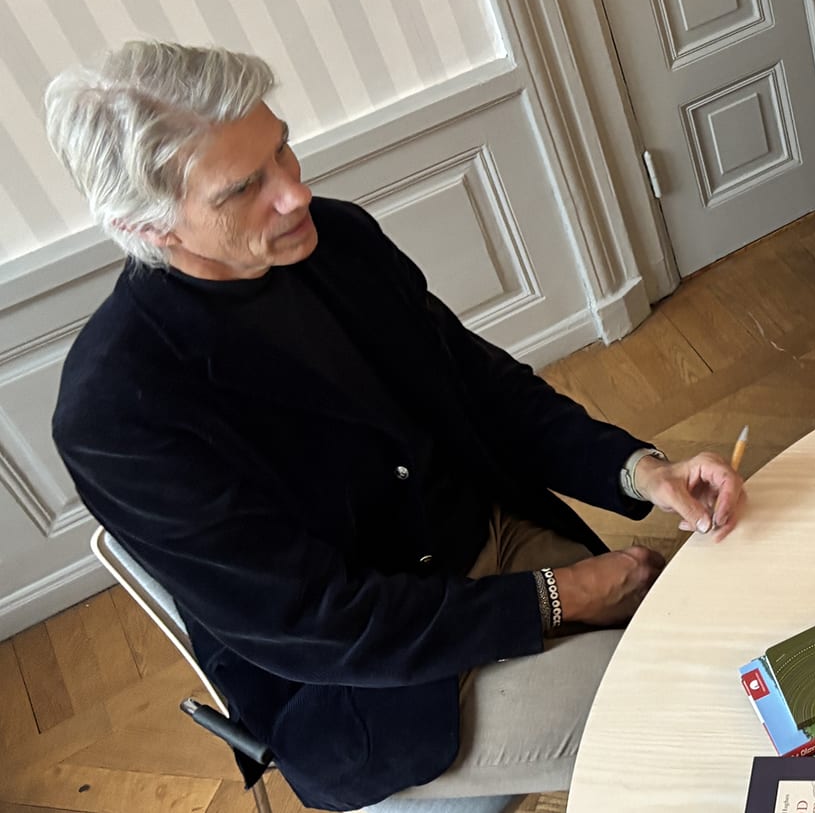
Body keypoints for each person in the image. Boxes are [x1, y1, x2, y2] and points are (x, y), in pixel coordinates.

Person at [44, 42, 747, 811]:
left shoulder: (336, 239)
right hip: (379, 685)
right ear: (150, 228)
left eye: (282, 147)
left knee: (730, 630)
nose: (296, 191)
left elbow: (482, 388)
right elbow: (322, 623)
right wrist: (561, 594)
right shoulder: (117, 409)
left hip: (486, 541)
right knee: (684, 717)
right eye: (245, 187)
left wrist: (641, 471)